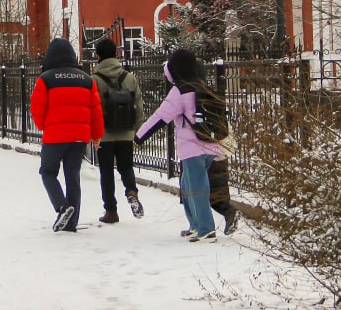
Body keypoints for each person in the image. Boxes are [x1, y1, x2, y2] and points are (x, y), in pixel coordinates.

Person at [136, 48, 225, 243]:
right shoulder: (202, 85)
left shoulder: (179, 91)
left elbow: (160, 117)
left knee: (195, 187)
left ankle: (206, 229)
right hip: (210, 144)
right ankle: (195, 225)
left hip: (192, 148)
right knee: (187, 184)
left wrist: (139, 136)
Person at [29, 37, 103, 233]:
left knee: (48, 172)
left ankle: (62, 206)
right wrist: (96, 135)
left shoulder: (46, 79)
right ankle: (71, 224)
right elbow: (96, 110)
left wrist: (43, 125)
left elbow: (37, 108)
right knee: (73, 177)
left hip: (55, 136)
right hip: (79, 137)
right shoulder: (86, 79)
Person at [91, 37, 145, 224]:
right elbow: (138, 104)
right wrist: (137, 128)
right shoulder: (129, 78)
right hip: (126, 133)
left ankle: (111, 211)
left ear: (97, 56)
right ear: (116, 54)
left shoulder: (94, 80)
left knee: (106, 172)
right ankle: (131, 191)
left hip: (104, 135)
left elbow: (91, 107)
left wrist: (92, 132)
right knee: (126, 167)